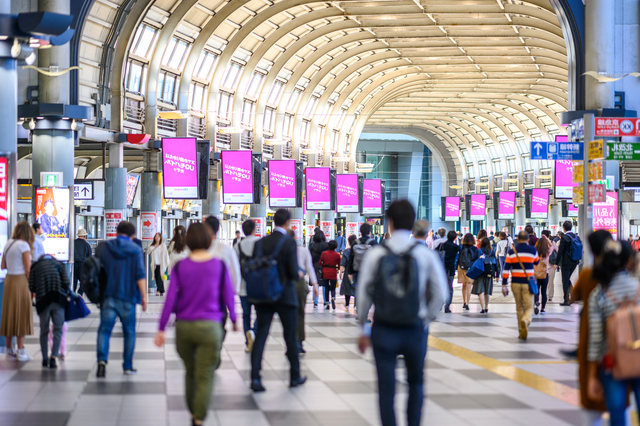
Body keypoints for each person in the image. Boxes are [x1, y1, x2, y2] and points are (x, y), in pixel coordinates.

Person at [356, 200, 447, 426]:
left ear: (390, 222)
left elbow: (363, 296)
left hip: (384, 328)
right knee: (416, 382)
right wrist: (425, 318)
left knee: (386, 388)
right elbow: (441, 294)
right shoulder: (424, 255)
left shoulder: (376, 254)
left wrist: (363, 327)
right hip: (415, 328)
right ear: (413, 222)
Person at [154, 222, 237, 426]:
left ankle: (193, 412)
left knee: (190, 371)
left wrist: (161, 328)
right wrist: (234, 319)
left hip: (184, 327)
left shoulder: (181, 266)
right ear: (210, 241)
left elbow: (171, 299)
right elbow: (228, 295)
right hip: (211, 327)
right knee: (205, 374)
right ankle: (198, 417)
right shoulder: (219, 265)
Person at [250, 209, 305, 392]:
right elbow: (292, 272)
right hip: (285, 296)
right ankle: (294, 376)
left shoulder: (261, 242)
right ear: (287, 222)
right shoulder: (289, 242)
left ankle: (255, 378)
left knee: (261, 336)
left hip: (264, 294)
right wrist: (298, 274)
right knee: (290, 336)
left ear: (273, 222)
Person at [587, 240, 640, 426]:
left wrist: (592, 375)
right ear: (630, 262)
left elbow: (595, 338)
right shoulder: (638, 288)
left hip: (611, 359)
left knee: (616, 411)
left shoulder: (599, 294)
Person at [570, 230, 612, 424]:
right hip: (619, 341)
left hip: (591, 339)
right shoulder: (622, 277)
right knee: (618, 398)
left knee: (592, 402)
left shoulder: (588, 275)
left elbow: (573, 297)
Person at [96, 221, 147, 378]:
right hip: (128, 297)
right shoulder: (136, 249)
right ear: (132, 236)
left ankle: (102, 362)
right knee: (129, 332)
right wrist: (144, 296)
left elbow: (99, 271)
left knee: (104, 330)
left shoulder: (106, 248)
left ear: (116, 231)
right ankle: (127, 366)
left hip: (109, 295)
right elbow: (139, 274)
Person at [28, 253, 69, 369]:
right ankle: (53, 357)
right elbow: (66, 283)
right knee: (58, 329)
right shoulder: (59, 265)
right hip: (58, 300)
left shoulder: (35, 266)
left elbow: (31, 287)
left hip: (43, 301)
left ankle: (44, 358)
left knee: (44, 330)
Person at [1, 221, 35, 361]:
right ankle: (20, 351)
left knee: (9, 314)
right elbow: (28, 269)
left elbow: (3, 265)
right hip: (21, 282)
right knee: (21, 313)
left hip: (9, 281)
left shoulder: (9, 243)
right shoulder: (24, 245)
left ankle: (9, 349)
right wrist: (33, 286)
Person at [502, 231, 539, 340]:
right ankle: (526, 320)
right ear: (528, 239)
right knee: (529, 306)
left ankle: (520, 331)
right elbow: (537, 263)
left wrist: (504, 284)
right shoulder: (533, 250)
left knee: (519, 307)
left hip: (515, 283)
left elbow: (506, 269)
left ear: (517, 239)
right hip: (528, 282)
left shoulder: (512, 251)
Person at [287, 229, 317, 353]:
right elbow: (309, 267)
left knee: (288, 315)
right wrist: (315, 284)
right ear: (295, 237)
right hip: (299, 284)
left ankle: (291, 344)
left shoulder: (281, 250)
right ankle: (299, 343)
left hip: (286, 284)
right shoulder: (303, 250)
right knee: (300, 314)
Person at [235, 219, 259, 352]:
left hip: (243, 286)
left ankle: (247, 340)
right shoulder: (260, 243)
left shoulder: (237, 245)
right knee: (261, 313)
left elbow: (235, 266)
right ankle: (254, 332)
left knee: (246, 315)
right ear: (254, 229)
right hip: (258, 286)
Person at [556, 220, 581, 306]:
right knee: (567, 279)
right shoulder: (576, 236)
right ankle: (575, 295)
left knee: (565, 280)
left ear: (564, 228)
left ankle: (566, 300)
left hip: (566, 263)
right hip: (575, 261)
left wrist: (556, 263)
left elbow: (560, 251)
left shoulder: (564, 237)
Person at [472, 237, 497, 314]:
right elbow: (495, 263)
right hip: (489, 273)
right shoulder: (492, 252)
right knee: (487, 291)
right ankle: (486, 307)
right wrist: (497, 274)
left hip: (480, 273)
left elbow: (474, 262)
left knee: (481, 291)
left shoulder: (478, 251)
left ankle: (482, 308)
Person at [457, 233, 478, 311]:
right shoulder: (475, 249)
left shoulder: (461, 247)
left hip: (461, 267)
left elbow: (458, 257)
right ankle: (467, 303)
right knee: (469, 285)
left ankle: (464, 301)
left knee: (464, 285)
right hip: (470, 268)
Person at [442, 230, 461, 313]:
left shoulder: (442, 245)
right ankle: (447, 306)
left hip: (441, 269)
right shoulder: (456, 247)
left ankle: (438, 305)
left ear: (447, 236)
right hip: (451, 269)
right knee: (450, 288)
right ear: (455, 237)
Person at [308, 230, 327, 308]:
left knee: (315, 284)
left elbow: (309, 258)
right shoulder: (327, 245)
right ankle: (326, 301)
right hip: (324, 266)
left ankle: (315, 302)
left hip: (314, 266)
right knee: (325, 284)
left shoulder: (312, 246)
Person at [320, 240, 341, 310]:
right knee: (333, 288)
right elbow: (339, 264)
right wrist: (337, 269)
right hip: (333, 273)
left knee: (326, 288)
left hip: (325, 272)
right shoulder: (337, 255)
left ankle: (327, 303)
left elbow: (320, 263)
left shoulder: (323, 253)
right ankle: (333, 298)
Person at [534, 236, 551, 314]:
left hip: (536, 274)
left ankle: (536, 303)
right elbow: (552, 246)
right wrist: (547, 240)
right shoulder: (547, 252)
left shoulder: (534, 251)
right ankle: (543, 308)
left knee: (536, 290)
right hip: (545, 274)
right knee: (544, 292)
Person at [340, 235, 357, 310]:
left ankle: (347, 303)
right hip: (357, 271)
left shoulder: (346, 251)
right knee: (356, 287)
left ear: (349, 242)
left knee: (347, 288)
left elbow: (343, 263)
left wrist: (340, 272)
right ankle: (356, 305)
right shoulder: (359, 250)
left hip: (348, 271)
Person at [73, 228, 92, 294]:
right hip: (82, 264)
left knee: (74, 280)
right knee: (83, 280)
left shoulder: (73, 243)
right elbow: (89, 256)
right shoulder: (87, 245)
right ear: (84, 236)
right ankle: (80, 293)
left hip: (74, 263)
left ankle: (73, 292)